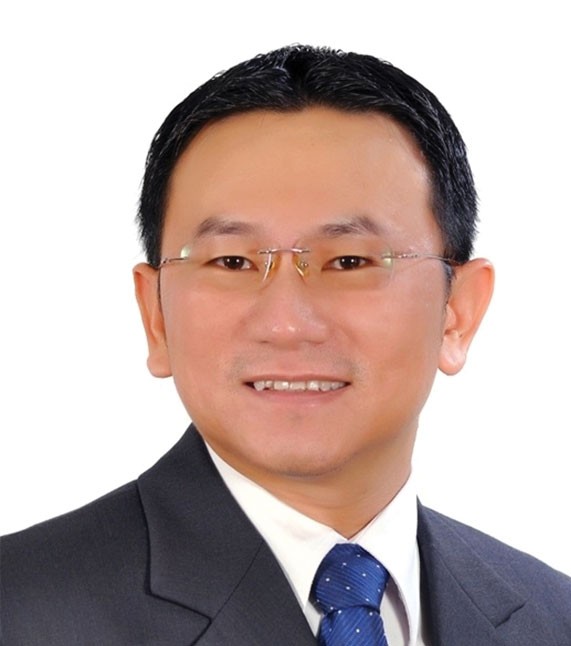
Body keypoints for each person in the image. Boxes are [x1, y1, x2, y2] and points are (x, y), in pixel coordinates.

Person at [1, 45, 570, 646]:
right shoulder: (20, 613)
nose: (287, 324)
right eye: (232, 261)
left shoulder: (552, 619)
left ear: (458, 313)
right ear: (156, 314)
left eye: (349, 261)